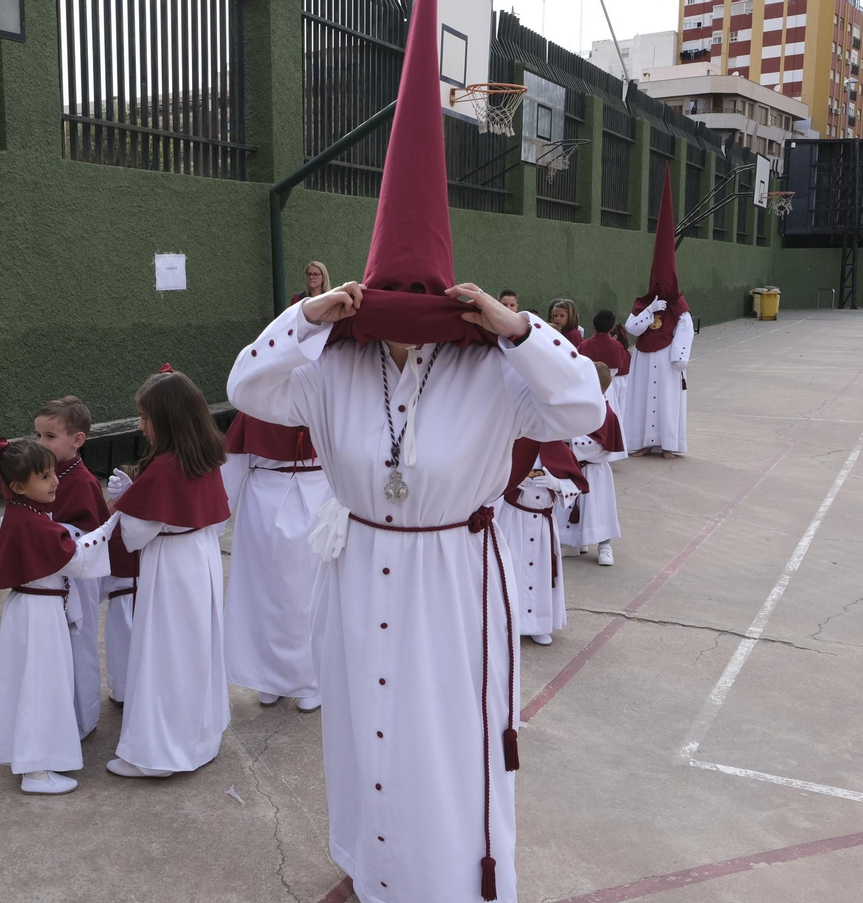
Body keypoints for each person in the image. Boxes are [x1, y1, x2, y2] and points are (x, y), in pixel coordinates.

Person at [226, 1, 605, 897]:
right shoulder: (331, 367)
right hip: (357, 571)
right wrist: (308, 313)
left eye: (417, 303)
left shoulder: (495, 372)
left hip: (454, 583)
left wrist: (514, 328)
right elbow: (246, 388)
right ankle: (372, 871)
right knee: (363, 727)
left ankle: (449, 881)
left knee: (443, 739)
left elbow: (583, 407)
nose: (400, 321)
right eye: (384, 301)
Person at [104, 367, 231, 779]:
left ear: (168, 420)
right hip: (201, 558)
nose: (140, 426)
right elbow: (218, 521)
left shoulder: (162, 470)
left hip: (171, 566)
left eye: (144, 417)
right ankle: (198, 739)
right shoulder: (206, 457)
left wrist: (123, 500)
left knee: (166, 654)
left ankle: (158, 754)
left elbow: (136, 534)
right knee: (195, 652)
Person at [0, 438, 122, 795]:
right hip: (39, 615)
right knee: (42, 686)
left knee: (33, 683)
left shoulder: (25, 514)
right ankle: (36, 771)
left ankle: (32, 760)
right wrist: (112, 521)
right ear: (17, 486)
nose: (55, 481)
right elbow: (76, 558)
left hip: (34, 611)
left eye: (52, 473)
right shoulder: (34, 523)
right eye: (44, 476)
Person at [222, 399, 330, 713]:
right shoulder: (325, 397)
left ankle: (305, 679)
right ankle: (274, 679)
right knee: (288, 596)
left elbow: (231, 468)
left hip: (279, 499)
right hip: (308, 495)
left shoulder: (256, 405)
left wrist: (215, 520)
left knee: (293, 595)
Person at [34, 395, 112, 736]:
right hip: (56, 575)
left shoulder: (80, 481)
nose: (41, 443)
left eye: (50, 437)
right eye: (38, 435)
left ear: (77, 440)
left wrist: (52, 533)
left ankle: (83, 717)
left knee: (79, 643)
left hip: (78, 577)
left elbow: (91, 531)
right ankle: (61, 711)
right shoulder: (49, 474)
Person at [623, 169, 693, 459]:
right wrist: (649, 310)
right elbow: (632, 328)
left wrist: (679, 356)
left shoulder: (679, 304)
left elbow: (685, 328)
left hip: (666, 360)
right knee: (640, 400)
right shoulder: (644, 302)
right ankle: (640, 441)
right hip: (644, 357)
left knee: (666, 400)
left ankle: (668, 443)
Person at [492, 438, 587, 647]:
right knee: (512, 569)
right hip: (514, 518)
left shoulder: (558, 447)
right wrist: (514, 482)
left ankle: (539, 624)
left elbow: (576, 485)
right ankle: (512, 624)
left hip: (543, 522)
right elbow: (494, 476)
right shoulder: (513, 444)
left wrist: (556, 484)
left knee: (541, 572)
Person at [561, 363, 626, 566]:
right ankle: (572, 543)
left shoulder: (607, 414)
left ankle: (605, 545)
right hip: (572, 468)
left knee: (599, 508)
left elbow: (601, 448)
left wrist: (570, 441)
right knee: (568, 506)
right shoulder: (577, 409)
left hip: (595, 470)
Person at [577, 310, 632, 427]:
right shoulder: (617, 346)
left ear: (593, 326)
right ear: (612, 328)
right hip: (610, 386)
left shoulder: (584, 345)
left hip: (589, 386)